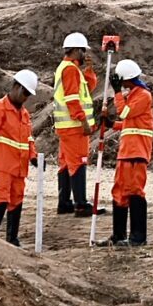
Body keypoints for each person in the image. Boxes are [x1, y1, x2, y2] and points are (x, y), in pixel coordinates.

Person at [0, 69, 41, 247]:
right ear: (16, 87)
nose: (25, 98)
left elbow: (28, 139)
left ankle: (12, 239)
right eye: (25, 93)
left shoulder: (24, 114)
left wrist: (34, 157)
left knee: (17, 199)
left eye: (28, 95)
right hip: (2, 165)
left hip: (19, 168)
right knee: (1, 199)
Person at [102, 58, 153, 247]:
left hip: (137, 152)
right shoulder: (133, 94)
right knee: (119, 191)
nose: (120, 84)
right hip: (126, 152)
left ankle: (138, 237)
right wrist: (110, 124)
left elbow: (125, 113)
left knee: (135, 192)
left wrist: (116, 92)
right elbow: (126, 122)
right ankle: (118, 235)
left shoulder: (143, 95)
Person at [52, 33, 99, 218]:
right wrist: (83, 121)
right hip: (74, 127)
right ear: (77, 50)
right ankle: (81, 204)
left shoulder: (67, 68)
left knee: (65, 164)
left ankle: (64, 203)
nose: (84, 54)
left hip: (66, 127)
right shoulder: (70, 70)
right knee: (79, 162)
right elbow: (72, 99)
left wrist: (88, 69)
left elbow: (86, 89)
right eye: (83, 51)